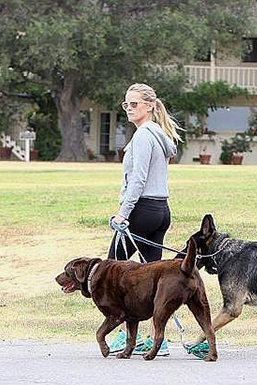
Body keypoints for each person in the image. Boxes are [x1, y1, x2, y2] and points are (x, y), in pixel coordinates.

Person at [107, 83, 180, 357]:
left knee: (113, 274)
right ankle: (157, 340)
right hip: (160, 210)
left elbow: (138, 180)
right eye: (126, 104)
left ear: (150, 106)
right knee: (153, 278)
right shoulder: (158, 136)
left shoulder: (144, 137)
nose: (129, 108)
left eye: (134, 104)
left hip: (142, 211)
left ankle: (123, 337)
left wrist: (123, 213)